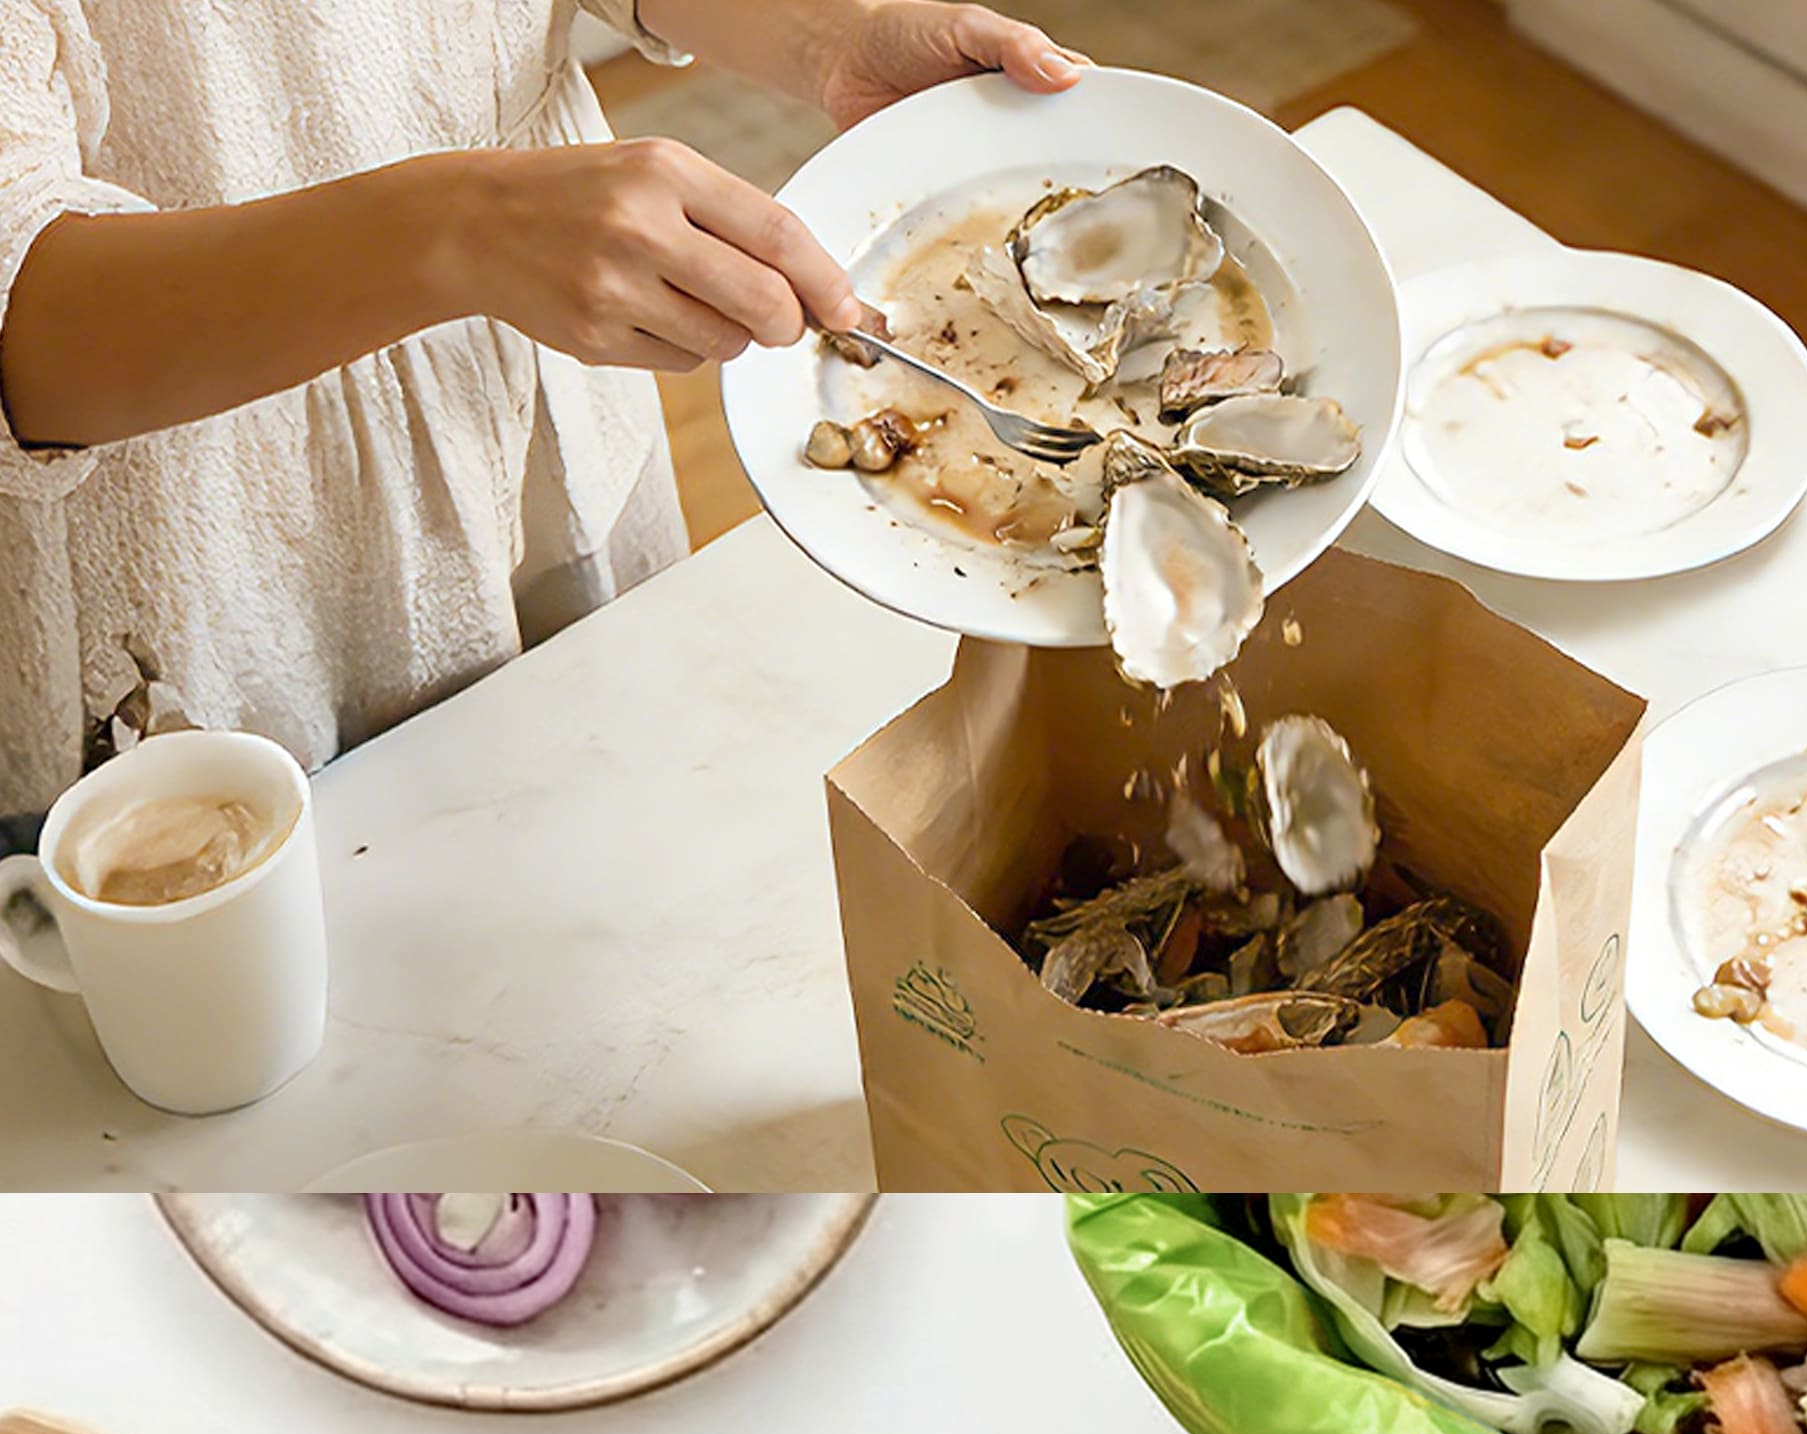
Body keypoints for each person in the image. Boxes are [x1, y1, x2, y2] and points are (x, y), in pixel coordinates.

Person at [0, 0, 1085, 824]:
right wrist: (459, 232)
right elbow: (23, 320)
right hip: (205, 532)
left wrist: (825, 32)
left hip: (541, 417)